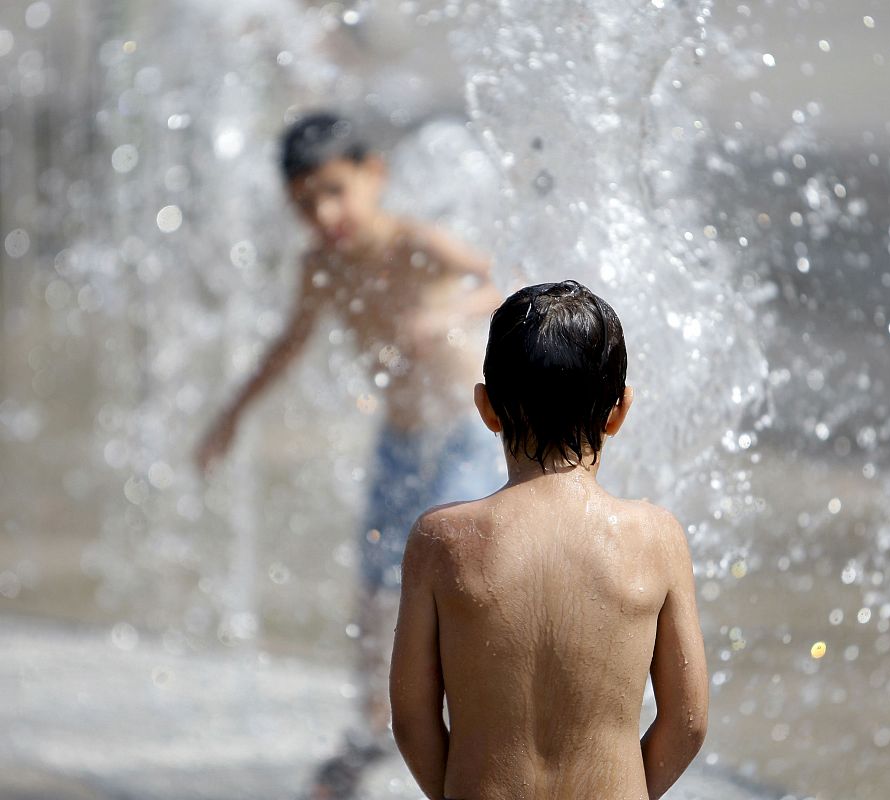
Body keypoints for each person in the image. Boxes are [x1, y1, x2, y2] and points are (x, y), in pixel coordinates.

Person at [194, 112, 503, 796]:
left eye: (335, 190)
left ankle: (488, 731)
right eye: (305, 204)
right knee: (372, 589)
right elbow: (287, 345)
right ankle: (369, 731)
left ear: (374, 175)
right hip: (399, 444)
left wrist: (446, 314)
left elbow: (502, 282)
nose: (325, 213)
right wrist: (229, 418)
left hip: (463, 433)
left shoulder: (416, 244)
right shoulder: (322, 268)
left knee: (459, 576)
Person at [389, 281, 709, 800]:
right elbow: (689, 722)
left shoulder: (440, 540)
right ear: (619, 411)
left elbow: (410, 718)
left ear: (486, 408)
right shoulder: (656, 538)